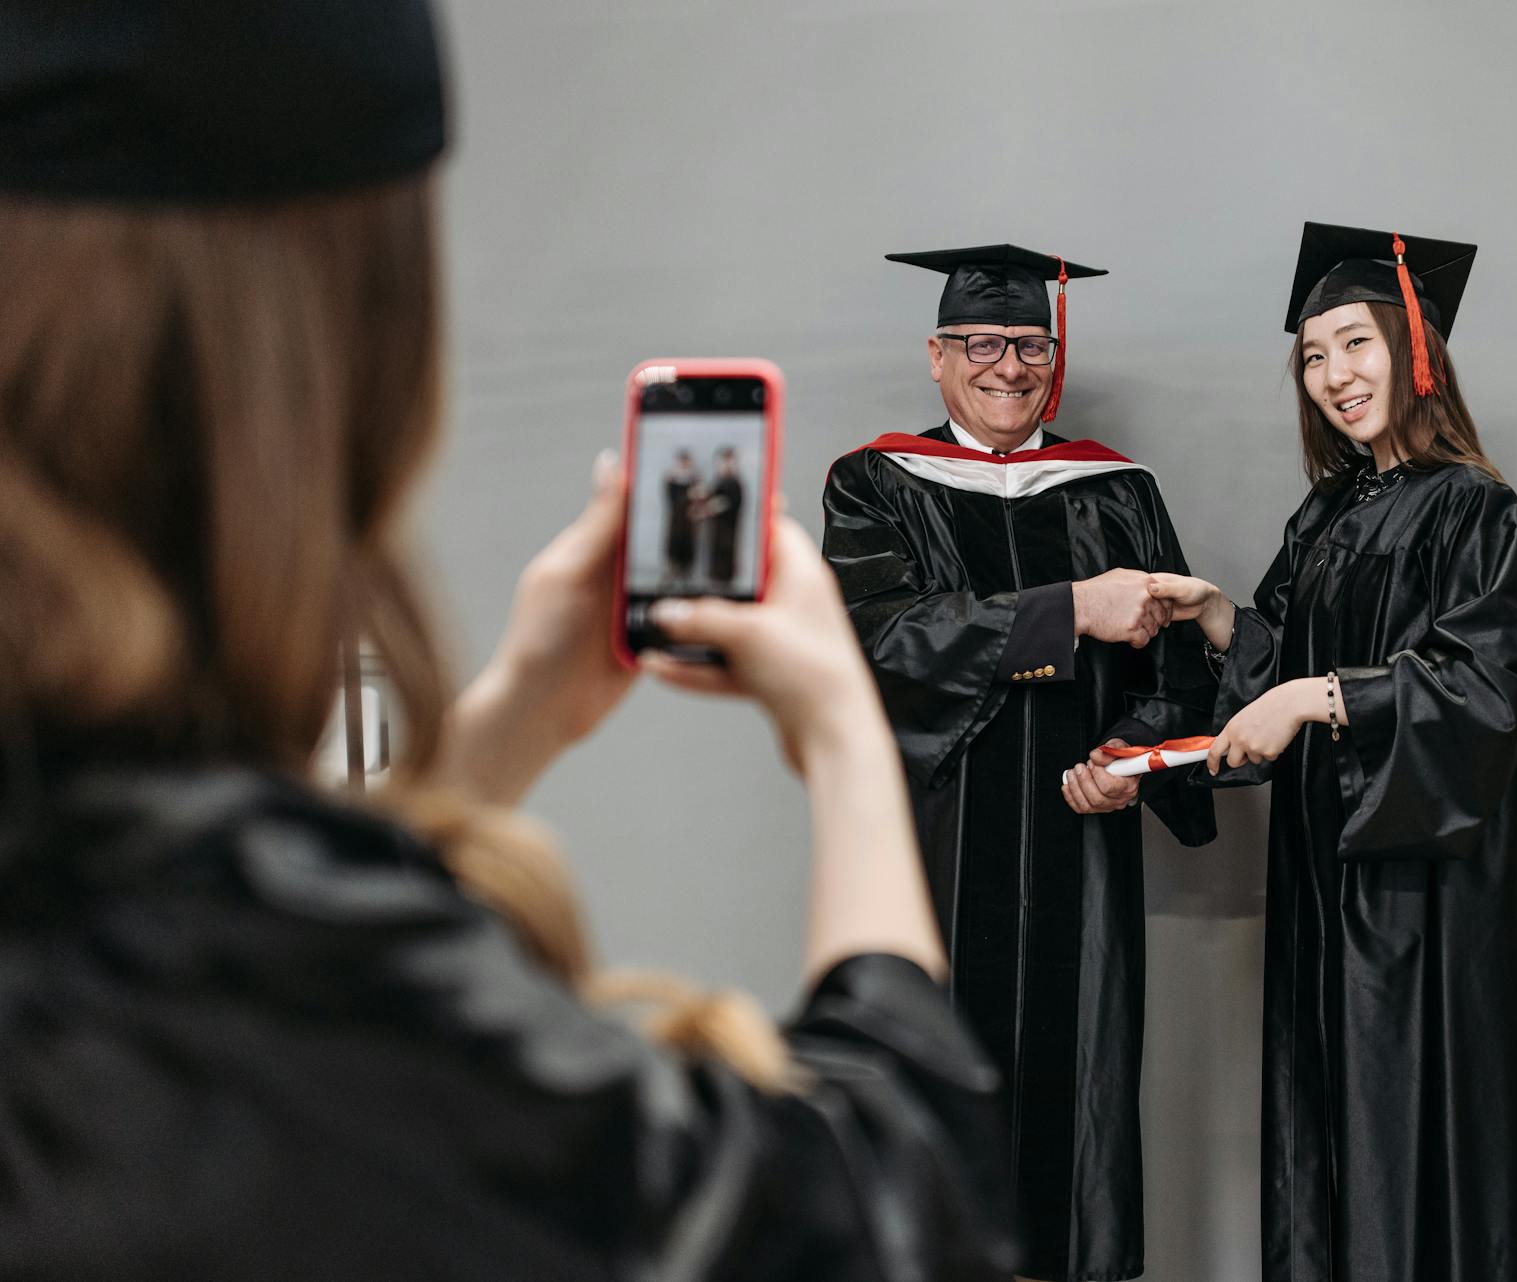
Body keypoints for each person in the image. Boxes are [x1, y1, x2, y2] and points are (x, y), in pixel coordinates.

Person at [0, 4, 1017, 1278]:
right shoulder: (238, 971)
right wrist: (845, 736)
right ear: (342, 356)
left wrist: (499, 736)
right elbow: (890, 1220)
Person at [1139, 223, 1517, 1282]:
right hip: (1325, 883)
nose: (1333, 376)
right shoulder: (1329, 511)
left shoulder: (1474, 509)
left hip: (1420, 906)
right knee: (1326, 1128)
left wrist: (1320, 698)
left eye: (1355, 344)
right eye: (1314, 356)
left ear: (1418, 351)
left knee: (1403, 1128)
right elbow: (1279, 651)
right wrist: (1220, 617)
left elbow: (1485, 686)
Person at [823, 243, 1217, 1281]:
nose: (1009, 365)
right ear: (939, 355)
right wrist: (1070, 608)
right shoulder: (876, 485)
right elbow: (878, 642)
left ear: (1056, 351)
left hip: (1081, 864)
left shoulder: (1119, 494)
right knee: (936, 1111)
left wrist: (1133, 759)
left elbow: (1181, 676)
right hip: (940, 857)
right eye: (983, 343)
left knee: (1075, 1115)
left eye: (1030, 343)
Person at [703, 445, 746, 587]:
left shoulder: (735, 483)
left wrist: (717, 506)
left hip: (729, 526)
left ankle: (725, 577)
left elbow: (734, 502)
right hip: (717, 527)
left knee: (726, 552)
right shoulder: (719, 481)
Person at [663, 448, 701, 586]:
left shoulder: (693, 478)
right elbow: (671, 498)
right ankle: (673, 569)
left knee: (688, 544)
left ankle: (686, 572)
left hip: (689, 520)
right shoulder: (672, 478)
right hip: (676, 518)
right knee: (675, 543)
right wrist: (686, 497)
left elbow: (698, 497)